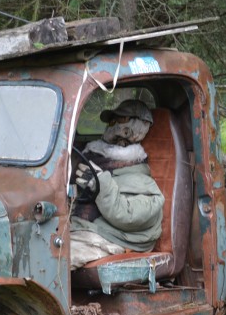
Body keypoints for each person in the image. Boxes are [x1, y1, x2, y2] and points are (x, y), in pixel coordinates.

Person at [69, 99, 164, 269]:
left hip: (118, 238)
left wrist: (100, 183)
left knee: (56, 258)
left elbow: (125, 216)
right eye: (112, 121)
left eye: (120, 121)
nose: (114, 127)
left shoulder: (142, 181)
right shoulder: (102, 162)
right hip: (87, 229)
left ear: (137, 126)